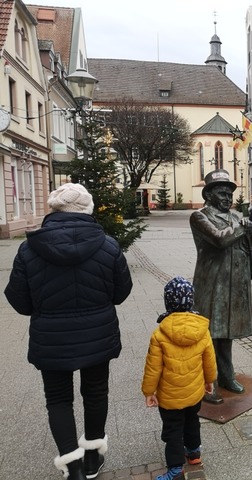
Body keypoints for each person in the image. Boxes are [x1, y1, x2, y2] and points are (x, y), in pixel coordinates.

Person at [4, 182, 133, 480]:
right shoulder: (108, 245)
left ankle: (72, 467)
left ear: (54, 210)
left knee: (58, 398)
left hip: (52, 340)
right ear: (87, 210)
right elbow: (121, 292)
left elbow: (19, 302)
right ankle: (91, 458)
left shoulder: (28, 249)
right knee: (96, 392)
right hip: (97, 335)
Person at [190, 169, 252, 398]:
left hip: (234, 283)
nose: (228, 198)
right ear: (209, 195)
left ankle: (227, 376)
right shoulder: (200, 216)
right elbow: (220, 239)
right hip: (212, 283)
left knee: (226, 332)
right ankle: (207, 381)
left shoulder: (234, 217)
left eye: (230, 194)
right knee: (209, 334)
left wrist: (250, 232)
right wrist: (243, 226)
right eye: (222, 193)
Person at [142, 277, 217, 480]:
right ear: (191, 301)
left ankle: (175, 470)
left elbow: (153, 368)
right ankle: (193, 454)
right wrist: (209, 381)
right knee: (192, 421)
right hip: (194, 392)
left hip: (170, 397)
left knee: (173, 430)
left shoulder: (160, 335)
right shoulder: (202, 331)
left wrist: (149, 392)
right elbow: (209, 361)